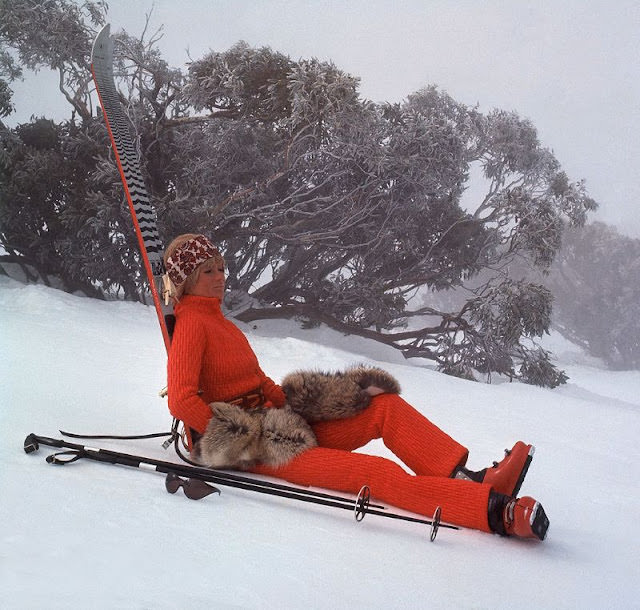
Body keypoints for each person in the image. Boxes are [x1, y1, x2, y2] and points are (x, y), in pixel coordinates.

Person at [164, 233, 550, 541]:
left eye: (220, 267)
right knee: (377, 473)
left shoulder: (221, 323)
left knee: (385, 409)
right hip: (261, 447)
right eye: (208, 272)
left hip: (282, 424)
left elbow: (259, 382)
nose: (220, 277)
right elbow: (181, 399)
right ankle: (494, 511)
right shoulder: (193, 325)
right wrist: (237, 441)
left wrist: (309, 406)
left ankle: (473, 480)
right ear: (189, 281)